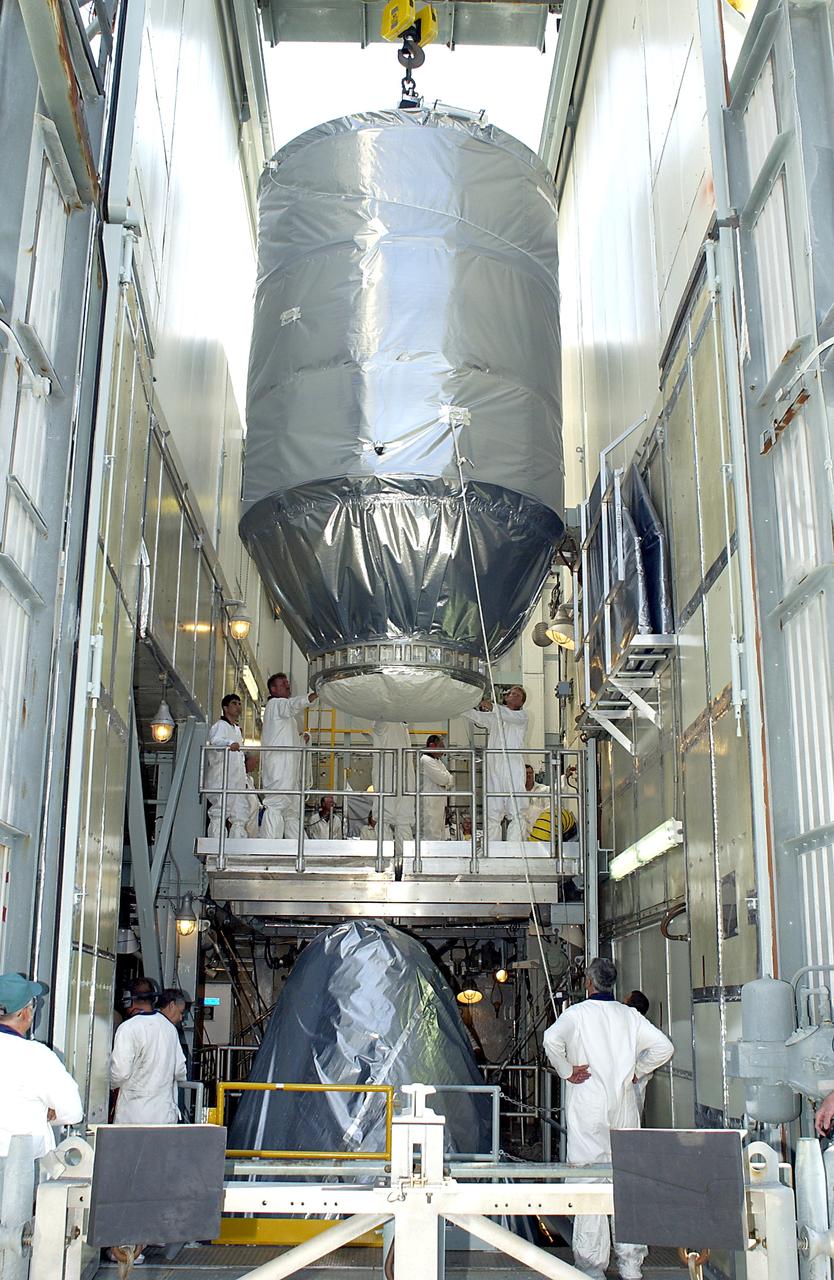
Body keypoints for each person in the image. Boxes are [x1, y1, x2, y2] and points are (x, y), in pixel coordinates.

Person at [543, 957, 674, 1280]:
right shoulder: (629, 1016)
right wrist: (637, 1072)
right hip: (624, 1110)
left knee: (588, 1182)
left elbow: (550, 1040)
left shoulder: (577, 1015)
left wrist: (567, 1071)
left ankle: (590, 1267)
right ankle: (631, 1265)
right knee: (626, 1184)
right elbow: (664, 1047)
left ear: (588, 983)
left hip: (588, 1108)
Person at [0, 973, 83, 1159]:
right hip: (20, 1164)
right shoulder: (36, 1056)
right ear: (24, 1013)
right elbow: (73, 1112)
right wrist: (46, 1111)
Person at [110, 979, 187, 1124]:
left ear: (128, 1000)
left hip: (134, 1114)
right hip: (165, 1115)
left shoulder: (128, 1028)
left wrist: (106, 1084)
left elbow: (120, 1073)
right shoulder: (169, 1028)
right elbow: (180, 1070)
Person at [462, 687, 529, 843]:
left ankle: (515, 850)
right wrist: (461, 705)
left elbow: (502, 713)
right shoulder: (496, 718)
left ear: (521, 701)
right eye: (510, 693)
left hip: (513, 768)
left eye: (517, 695)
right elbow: (477, 717)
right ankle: (492, 849)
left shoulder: (521, 717)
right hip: (494, 768)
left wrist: (483, 702)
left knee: (517, 812)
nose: (512, 695)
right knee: (493, 811)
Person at [261, 673, 317, 839]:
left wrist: (302, 740)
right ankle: (269, 849)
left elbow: (289, 741)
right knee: (277, 804)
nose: (287, 685)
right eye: (283, 683)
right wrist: (315, 695)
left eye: (287, 682)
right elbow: (293, 705)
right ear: (273, 689)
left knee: (291, 811)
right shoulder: (275, 705)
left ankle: (299, 849)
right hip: (279, 768)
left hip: (288, 770)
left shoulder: (288, 719)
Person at [369, 720, 414, 860]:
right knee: (384, 819)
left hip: (404, 781)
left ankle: (406, 860)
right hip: (387, 780)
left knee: (403, 820)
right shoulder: (384, 723)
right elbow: (379, 725)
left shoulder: (402, 727)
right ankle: (384, 860)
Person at [205, 694, 248, 838]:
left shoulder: (236, 729)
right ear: (225, 707)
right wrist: (229, 744)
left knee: (240, 813)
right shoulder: (220, 726)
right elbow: (215, 741)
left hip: (237, 780)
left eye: (239, 704)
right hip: (222, 778)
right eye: (234, 703)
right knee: (220, 811)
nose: (238, 707)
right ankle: (216, 847)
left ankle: (237, 848)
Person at [419, 735, 454, 840]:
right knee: (431, 833)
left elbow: (450, 779)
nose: (443, 750)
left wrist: (446, 781)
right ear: (432, 746)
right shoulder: (425, 760)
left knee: (439, 832)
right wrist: (446, 781)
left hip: (439, 803)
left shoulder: (437, 761)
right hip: (430, 803)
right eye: (441, 746)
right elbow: (443, 779)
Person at [523, 764, 550, 836]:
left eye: (530, 773)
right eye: (526, 773)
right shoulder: (517, 791)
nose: (528, 775)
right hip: (523, 830)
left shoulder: (542, 789)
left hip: (540, 828)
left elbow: (548, 809)